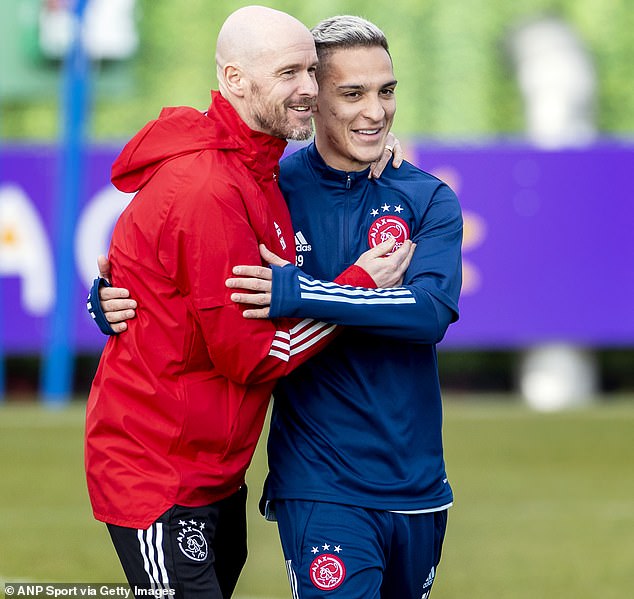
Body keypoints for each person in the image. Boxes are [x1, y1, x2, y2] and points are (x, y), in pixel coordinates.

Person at [96, 14, 461, 599]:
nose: (374, 110)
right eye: (349, 92)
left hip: (397, 484)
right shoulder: (256, 181)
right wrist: (108, 297)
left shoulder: (417, 194)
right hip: (289, 479)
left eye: (385, 91)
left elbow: (429, 313)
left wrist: (300, 290)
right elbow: (240, 340)